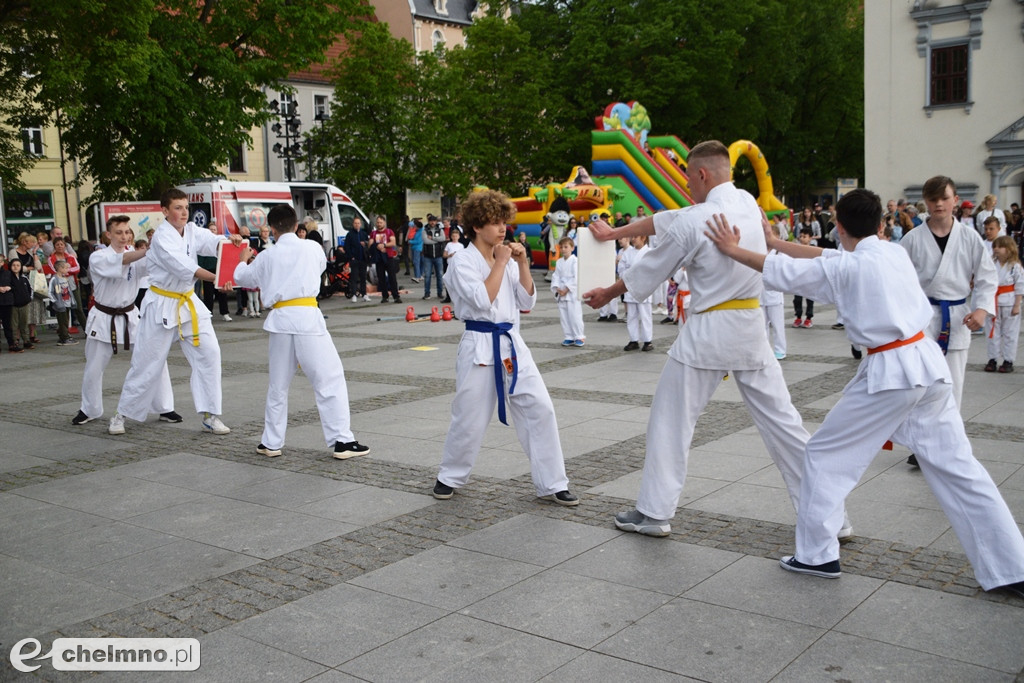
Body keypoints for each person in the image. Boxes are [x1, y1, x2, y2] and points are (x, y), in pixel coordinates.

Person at [704, 188, 1024, 599]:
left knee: (822, 455)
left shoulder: (848, 268)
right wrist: (774, 241)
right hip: (929, 366)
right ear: (880, 225)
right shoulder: (892, 253)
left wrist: (733, 249)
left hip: (892, 374)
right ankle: (1011, 566)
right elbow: (824, 258)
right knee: (960, 468)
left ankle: (818, 555)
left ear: (838, 227)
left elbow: (779, 270)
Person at [583, 140, 826, 538]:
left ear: (701, 174)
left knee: (671, 420)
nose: (688, 187)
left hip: (708, 333)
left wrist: (609, 293)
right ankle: (829, 515)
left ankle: (655, 512)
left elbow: (652, 267)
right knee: (785, 425)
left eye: (688, 179)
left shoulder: (695, 220)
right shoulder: (747, 202)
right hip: (751, 327)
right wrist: (615, 232)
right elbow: (665, 219)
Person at [431, 189, 577, 507]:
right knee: (469, 416)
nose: (502, 228)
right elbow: (483, 299)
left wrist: (522, 264)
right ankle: (450, 475)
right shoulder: (461, 262)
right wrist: (500, 262)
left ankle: (553, 481)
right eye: (494, 222)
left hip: (512, 343)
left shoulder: (507, 258)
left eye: (503, 222)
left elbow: (526, 301)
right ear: (476, 226)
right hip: (478, 343)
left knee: (540, 408)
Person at [233, 204, 370, 460]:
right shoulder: (312, 248)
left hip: (281, 321)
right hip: (307, 318)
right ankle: (342, 440)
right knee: (329, 379)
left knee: (278, 385)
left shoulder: (267, 255)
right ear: (297, 226)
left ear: (272, 229)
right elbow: (319, 269)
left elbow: (244, 279)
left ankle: (271, 442)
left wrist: (241, 260)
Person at [108, 188, 244, 436]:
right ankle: (121, 414)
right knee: (147, 363)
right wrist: (221, 279)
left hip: (189, 303)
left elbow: (214, 243)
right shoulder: (161, 238)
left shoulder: (192, 230)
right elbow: (188, 268)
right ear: (165, 211)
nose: (183, 213)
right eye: (177, 208)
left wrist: (230, 241)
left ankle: (210, 414)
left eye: (185, 207)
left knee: (210, 354)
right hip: (161, 304)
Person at [899, 176, 996, 421]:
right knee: (921, 383)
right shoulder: (911, 239)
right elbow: (898, 282)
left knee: (952, 383)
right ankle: (921, 444)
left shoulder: (970, 237)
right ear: (926, 203)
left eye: (945, 198)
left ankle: (948, 445)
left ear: (955, 200)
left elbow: (986, 276)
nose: (939, 204)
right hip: (922, 318)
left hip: (957, 314)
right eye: (933, 199)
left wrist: (982, 310)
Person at [73, 215, 177, 426]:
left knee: (155, 358)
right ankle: (89, 409)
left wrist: (162, 244)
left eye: (127, 232)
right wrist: (146, 250)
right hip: (104, 317)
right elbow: (124, 261)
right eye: (118, 232)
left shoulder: (134, 255)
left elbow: (154, 264)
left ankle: (164, 407)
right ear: (108, 234)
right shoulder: (99, 256)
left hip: (131, 316)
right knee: (94, 366)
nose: (124, 236)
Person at [984, 235, 1023, 373]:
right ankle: (992, 359)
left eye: (1000, 247)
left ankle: (1008, 360)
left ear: (1009, 249)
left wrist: (1017, 305)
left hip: (1010, 302)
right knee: (992, 332)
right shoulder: (990, 264)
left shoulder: (1015, 267)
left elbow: (1020, 286)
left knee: (1010, 333)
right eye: (995, 246)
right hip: (993, 302)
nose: (996, 249)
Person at [619, 234, 653, 351]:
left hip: (643, 288)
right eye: (632, 237)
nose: (632, 239)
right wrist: (629, 274)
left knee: (645, 316)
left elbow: (651, 270)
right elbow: (621, 269)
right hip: (630, 288)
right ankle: (633, 340)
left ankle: (647, 341)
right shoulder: (627, 253)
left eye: (635, 237)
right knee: (631, 316)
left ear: (643, 237)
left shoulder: (649, 252)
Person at [551, 236, 585, 347]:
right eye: (561, 247)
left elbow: (577, 277)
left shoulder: (575, 261)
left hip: (571, 292)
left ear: (572, 248)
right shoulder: (559, 262)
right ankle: (569, 336)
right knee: (564, 316)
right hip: (561, 291)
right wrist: (557, 288)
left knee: (574, 315)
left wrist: (567, 288)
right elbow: (556, 276)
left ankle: (579, 336)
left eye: (566, 247)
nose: (563, 249)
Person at [198, 221, 233, 322]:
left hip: (219, 271)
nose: (213, 231)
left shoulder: (221, 243)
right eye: (211, 229)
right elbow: (200, 261)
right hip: (207, 272)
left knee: (222, 294)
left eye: (214, 229)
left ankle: (225, 313)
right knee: (208, 295)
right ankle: (209, 313)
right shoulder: (204, 245)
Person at [762, 223, 787, 360]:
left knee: (777, 325)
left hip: (774, 295)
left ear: (776, 236)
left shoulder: (780, 253)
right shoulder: (759, 250)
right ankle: (765, 349)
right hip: (760, 295)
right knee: (762, 326)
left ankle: (780, 350)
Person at [370, 215, 401, 303]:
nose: (379, 224)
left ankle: (396, 296)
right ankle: (384, 296)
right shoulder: (373, 233)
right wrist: (377, 246)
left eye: (381, 222)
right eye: (378, 222)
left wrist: (384, 245)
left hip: (388, 257)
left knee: (392, 277)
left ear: (384, 223)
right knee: (381, 278)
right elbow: (370, 244)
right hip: (378, 258)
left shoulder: (389, 232)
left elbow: (393, 242)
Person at [48, 260, 78, 345]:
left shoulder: (65, 278)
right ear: (60, 268)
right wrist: (56, 302)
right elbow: (50, 292)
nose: (68, 269)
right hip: (60, 305)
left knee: (66, 320)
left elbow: (69, 291)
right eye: (66, 268)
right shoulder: (54, 279)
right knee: (63, 321)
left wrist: (72, 301)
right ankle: (65, 338)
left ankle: (63, 337)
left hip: (67, 303)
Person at [7, 259, 34, 349]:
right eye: (13, 265)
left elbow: (30, 289)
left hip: (24, 304)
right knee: (14, 324)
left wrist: (29, 298)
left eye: (18, 265)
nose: (15, 267)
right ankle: (15, 341)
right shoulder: (8, 278)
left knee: (24, 323)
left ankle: (26, 340)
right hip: (13, 305)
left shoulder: (24, 278)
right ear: (10, 266)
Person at [792, 228, 815, 327]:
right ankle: (798, 316)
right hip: (799, 277)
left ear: (810, 238)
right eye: (800, 236)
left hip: (810, 277)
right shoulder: (797, 249)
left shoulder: (814, 249)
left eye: (804, 237)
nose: (802, 239)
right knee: (797, 299)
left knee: (810, 298)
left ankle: (809, 317)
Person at [345, 217, 370, 302]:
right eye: (355, 223)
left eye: (358, 223)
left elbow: (368, 244)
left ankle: (364, 294)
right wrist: (351, 257)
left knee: (363, 277)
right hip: (354, 259)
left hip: (363, 258)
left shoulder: (364, 234)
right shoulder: (350, 234)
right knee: (354, 277)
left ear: (360, 224)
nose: (357, 225)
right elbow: (347, 247)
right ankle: (354, 294)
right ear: (353, 224)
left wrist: (365, 244)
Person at [421, 215, 446, 300]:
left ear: (436, 222)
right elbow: (426, 241)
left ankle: (440, 293)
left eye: (434, 221)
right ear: (428, 221)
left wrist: (433, 238)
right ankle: (427, 293)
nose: (432, 222)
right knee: (427, 276)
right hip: (428, 256)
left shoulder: (440, 230)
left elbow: (443, 238)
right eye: (431, 221)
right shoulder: (425, 230)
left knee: (439, 275)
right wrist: (436, 240)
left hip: (438, 256)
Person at [440, 226, 465, 304]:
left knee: (458, 282)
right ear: (451, 237)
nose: (454, 237)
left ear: (458, 237)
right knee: (449, 281)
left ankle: (459, 297)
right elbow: (444, 255)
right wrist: (449, 255)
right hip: (449, 265)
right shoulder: (449, 245)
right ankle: (448, 296)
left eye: (456, 236)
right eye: (453, 236)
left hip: (458, 266)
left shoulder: (461, 246)